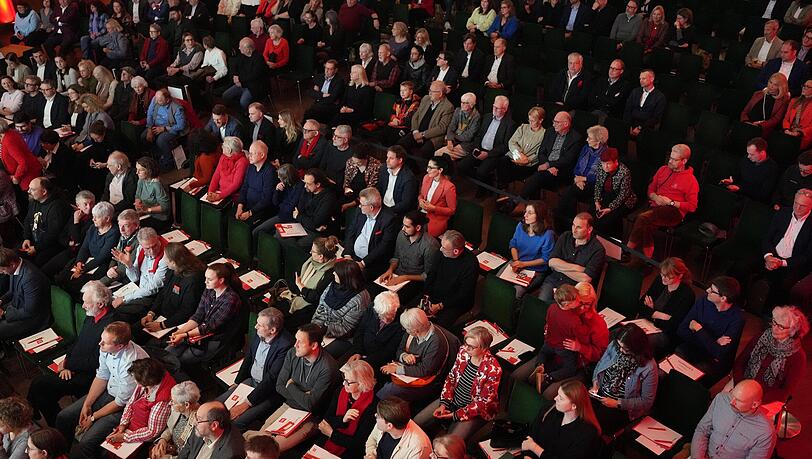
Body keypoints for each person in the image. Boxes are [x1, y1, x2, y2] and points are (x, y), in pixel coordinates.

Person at [27, 281, 118, 425]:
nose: (83, 306)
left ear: (100, 304)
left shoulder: (111, 326)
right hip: (74, 366)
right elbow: (78, 342)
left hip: (89, 376)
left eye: (86, 303)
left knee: (40, 385)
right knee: (43, 392)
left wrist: (69, 364)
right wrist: (66, 361)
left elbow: (96, 361)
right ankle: (48, 419)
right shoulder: (92, 315)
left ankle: (37, 414)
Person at [54, 321, 148, 458]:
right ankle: (62, 454)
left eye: (104, 342)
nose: (100, 344)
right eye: (101, 339)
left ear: (120, 346)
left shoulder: (132, 363)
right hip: (109, 392)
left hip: (126, 407)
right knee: (64, 417)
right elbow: (102, 376)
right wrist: (87, 404)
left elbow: (120, 402)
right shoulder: (106, 349)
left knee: (86, 443)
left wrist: (93, 417)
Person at [250, 323, 338, 452]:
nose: (295, 344)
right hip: (288, 406)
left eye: (300, 342)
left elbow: (310, 405)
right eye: (296, 340)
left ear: (314, 346)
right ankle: (247, 435)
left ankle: (247, 435)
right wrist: (304, 395)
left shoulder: (327, 368)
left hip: (311, 417)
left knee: (272, 448)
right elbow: (279, 386)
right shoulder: (292, 353)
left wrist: (291, 385)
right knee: (260, 440)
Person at [415, 326, 502, 440]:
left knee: (450, 443)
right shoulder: (463, 352)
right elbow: (451, 378)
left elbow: (483, 403)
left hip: (472, 411)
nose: (466, 348)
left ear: (484, 349)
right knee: (417, 422)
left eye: (471, 347)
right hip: (452, 400)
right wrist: (444, 404)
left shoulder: (493, 369)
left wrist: (455, 415)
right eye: (466, 343)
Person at [217, 308, 293, 430]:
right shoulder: (260, 333)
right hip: (252, 380)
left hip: (269, 392)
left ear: (272, 330)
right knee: (216, 406)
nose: (255, 327)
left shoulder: (286, 345)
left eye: (260, 325)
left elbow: (271, 379)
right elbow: (248, 357)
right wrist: (237, 382)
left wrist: (246, 403)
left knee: (235, 423)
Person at [627, 144, 699, 258]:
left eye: (674, 160)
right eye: (670, 158)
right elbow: (650, 189)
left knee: (642, 218)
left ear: (684, 161)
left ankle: (626, 250)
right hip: (655, 205)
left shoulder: (691, 181)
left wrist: (670, 202)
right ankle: (648, 259)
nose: (670, 161)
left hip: (674, 210)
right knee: (646, 226)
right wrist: (655, 197)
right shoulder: (662, 170)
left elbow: (692, 206)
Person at [166, 263, 241, 365]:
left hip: (215, 339)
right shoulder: (209, 290)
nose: (205, 282)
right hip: (198, 332)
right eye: (206, 278)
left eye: (209, 279)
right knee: (167, 353)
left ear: (221, 280)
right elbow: (198, 315)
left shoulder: (230, 300)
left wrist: (183, 335)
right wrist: (179, 332)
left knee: (178, 361)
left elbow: (210, 326)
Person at [378, 308, 459, 402]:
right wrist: (404, 356)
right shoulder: (411, 333)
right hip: (408, 371)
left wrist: (397, 369)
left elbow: (425, 370)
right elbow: (400, 350)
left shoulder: (436, 342)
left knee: (389, 391)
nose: (405, 331)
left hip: (425, 381)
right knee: (381, 375)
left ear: (415, 330)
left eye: (406, 329)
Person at [731, 305, 808, 404]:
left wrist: (756, 399)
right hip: (742, 385)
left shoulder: (798, 357)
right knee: (721, 400)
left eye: (781, 327)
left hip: (766, 398)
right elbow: (739, 363)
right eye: (774, 322)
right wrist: (740, 386)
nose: (774, 328)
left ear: (793, 330)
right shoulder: (761, 337)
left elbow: (786, 390)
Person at [677, 276, 745, 385]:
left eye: (712, 290)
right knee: (670, 366)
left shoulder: (737, 319)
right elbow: (682, 330)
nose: (707, 290)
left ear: (723, 298)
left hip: (713, 361)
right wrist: (713, 342)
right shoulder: (704, 300)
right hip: (693, 348)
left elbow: (719, 353)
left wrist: (698, 329)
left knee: (689, 380)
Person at [591, 323, 657, 434]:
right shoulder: (614, 346)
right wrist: (595, 383)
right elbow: (600, 365)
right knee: (579, 411)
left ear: (636, 348)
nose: (621, 351)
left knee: (595, 424)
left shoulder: (649, 367)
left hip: (622, 407)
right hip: (601, 394)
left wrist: (617, 403)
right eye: (619, 346)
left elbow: (647, 401)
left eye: (626, 349)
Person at [138, 242, 206, 343]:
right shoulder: (171, 270)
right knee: (135, 331)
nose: (163, 260)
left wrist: (162, 325)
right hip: (161, 316)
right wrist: (151, 313)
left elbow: (187, 311)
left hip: (175, 323)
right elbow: (163, 292)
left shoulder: (193, 280)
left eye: (165, 258)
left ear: (174, 262)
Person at [308, 360, 377, 457]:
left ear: (362, 383)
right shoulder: (340, 391)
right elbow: (326, 420)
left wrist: (331, 433)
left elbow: (360, 444)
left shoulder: (373, 407)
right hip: (328, 438)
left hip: (349, 451)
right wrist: (343, 420)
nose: (344, 384)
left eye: (348, 382)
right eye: (344, 378)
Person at [691, 380, 776, 459]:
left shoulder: (765, 432)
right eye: (732, 395)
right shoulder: (721, 399)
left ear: (754, 405)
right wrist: (697, 457)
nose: (731, 402)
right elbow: (702, 430)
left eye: (738, 400)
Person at [513, 112, 582, 208]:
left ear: (566, 124)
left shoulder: (575, 138)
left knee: (537, 177)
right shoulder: (550, 131)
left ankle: (517, 202)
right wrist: (547, 166)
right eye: (553, 121)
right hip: (545, 166)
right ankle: (532, 208)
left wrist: (549, 165)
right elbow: (541, 152)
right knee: (536, 178)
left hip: (561, 170)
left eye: (557, 122)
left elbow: (567, 160)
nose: (553, 124)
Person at [521, 380, 602, 459]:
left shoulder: (587, 433)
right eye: (558, 394)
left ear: (574, 406)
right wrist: (528, 456)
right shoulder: (549, 409)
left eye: (561, 398)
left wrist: (534, 447)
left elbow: (531, 444)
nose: (555, 398)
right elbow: (531, 437)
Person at [105, 358, 176, 448]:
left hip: (143, 438)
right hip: (132, 425)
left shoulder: (163, 401)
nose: (135, 382)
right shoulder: (147, 381)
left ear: (148, 382)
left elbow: (152, 432)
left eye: (137, 381)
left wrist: (125, 437)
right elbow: (131, 403)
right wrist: (123, 423)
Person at [759, 188, 812, 306]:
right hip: (772, 255)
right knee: (743, 267)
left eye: (802, 206)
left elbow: (807, 256)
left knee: (782, 286)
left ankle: (770, 313)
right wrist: (768, 257)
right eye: (796, 203)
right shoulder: (783, 213)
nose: (797, 208)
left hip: (792, 263)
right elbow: (767, 237)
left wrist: (781, 263)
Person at [538, 212, 605, 303]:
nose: (574, 230)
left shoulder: (597, 249)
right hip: (554, 280)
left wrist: (559, 267)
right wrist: (577, 268)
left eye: (579, 227)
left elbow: (585, 279)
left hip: (574, 288)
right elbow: (551, 262)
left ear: (589, 229)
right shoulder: (566, 236)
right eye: (573, 225)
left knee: (558, 307)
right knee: (541, 303)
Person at [54, 201, 119, 294]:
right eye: (93, 216)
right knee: (62, 277)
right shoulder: (92, 228)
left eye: (97, 217)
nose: (93, 219)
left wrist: (82, 270)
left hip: (100, 264)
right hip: (86, 261)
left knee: (77, 284)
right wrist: (79, 262)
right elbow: (84, 248)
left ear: (107, 218)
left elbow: (102, 257)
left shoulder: (114, 232)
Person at [312, 259, 372, 357]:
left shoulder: (360, 298)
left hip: (343, 337)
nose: (333, 273)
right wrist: (316, 325)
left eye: (336, 272)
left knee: (318, 354)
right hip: (323, 328)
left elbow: (346, 327)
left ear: (345, 277)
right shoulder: (333, 285)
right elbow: (321, 306)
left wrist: (323, 329)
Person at [557, 125, 615, 224]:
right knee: (572, 195)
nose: (587, 140)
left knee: (571, 191)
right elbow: (577, 166)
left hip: (595, 185)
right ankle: (569, 221)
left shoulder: (607, 154)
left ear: (598, 141)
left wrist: (584, 179)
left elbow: (602, 177)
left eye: (590, 138)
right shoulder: (586, 148)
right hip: (580, 181)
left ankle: (560, 216)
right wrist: (577, 178)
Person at [378, 211, 440, 303]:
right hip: (397, 273)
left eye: (407, 227)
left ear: (418, 227)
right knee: (378, 294)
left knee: (393, 302)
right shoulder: (401, 234)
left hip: (414, 280)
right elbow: (396, 257)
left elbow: (427, 275)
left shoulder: (430, 245)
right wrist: (390, 270)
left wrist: (405, 277)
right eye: (403, 225)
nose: (403, 229)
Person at [110, 227, 169, 322]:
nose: (152, 251)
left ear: (158, 239)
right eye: (147, 248)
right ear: (141, 244)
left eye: (154, 246)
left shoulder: (166, 255)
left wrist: (125, 299)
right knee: (109, 299)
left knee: (118, 312)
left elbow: (153, 287)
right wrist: (129, 265)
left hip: (153, 296)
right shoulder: (140, 249)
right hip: (139, 289)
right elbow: (135, 278)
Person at [421, 230, 477, 328]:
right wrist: (426, 296)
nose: (440, 249)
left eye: (444, 247)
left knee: (438, 326)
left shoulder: (471, 264)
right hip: (437, 294)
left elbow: (463, 294)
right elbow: (431, 275)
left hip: (456, 302)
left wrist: (439, 306)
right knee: (417, 315)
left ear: (455, 251)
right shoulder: (442, 253)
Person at [457, 96, 516, 185]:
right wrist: (476, 148)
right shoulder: (487, 117)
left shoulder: (510, 124)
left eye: (497, 108)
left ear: (505, 109)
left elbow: (505, 146)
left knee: (481, 172)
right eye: (494, 106)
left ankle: (484, 187)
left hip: (493, 154)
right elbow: (479, 135)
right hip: (479, 149)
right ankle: (483, 182)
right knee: (461, 166)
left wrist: (488, 154)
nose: (494, 109)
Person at [342, 291, 406, 370]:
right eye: (382, 316)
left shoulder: (403, 319)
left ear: (396, 309)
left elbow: (389, 351)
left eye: (390, 316)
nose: (386, 320)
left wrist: (365, 361)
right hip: (361, 351)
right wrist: (358, 352)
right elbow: (360, 331)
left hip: (379, 361)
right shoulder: (372, 308)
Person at [342, 188, 398, 278]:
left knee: (350, 278)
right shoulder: (360, 211)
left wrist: (363, 263)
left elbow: (383, 247)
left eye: (362, 204)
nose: (359, 206)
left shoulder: (389, 219)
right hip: (353, 256)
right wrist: (347, 254)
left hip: (371, 263)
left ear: (371, 207)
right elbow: (351, 232)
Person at [505, 201, 555, 297]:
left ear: (539, 216)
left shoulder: (548, 235)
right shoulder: (520, 225)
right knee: (497, 282)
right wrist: (516, 261)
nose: (525, 215)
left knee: (516, 292)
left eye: (530, 213)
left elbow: (546, 259)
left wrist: (523, 264)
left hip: (535, 270)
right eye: (525, 211)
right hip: (517, 262)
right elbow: (513, 243)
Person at [21, 177, 72, 267]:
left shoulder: (57, 207)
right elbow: (28, 220)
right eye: (29, 188)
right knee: (15, 255)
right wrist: (27, 238)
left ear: (44, 192)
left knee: (36, 263)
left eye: (32, 189)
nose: (28, 191)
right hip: (35, 242)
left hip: (52, 245)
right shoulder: (34, 201)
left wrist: (36, 248)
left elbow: (53, 234)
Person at [397, 80, 455, 157]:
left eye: (432, 91)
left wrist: (422, 135)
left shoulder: (448, 107)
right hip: (417, 132)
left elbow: (442, 128)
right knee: (400, 145)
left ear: (440, 94)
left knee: (421, 153)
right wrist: (415, 132)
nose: (429, 93)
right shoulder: (426, 98)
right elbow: (416, 116)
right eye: (429, 90)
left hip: (433, 137)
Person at [364, 397, 432, 459]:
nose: (375, 415)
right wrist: (371, 455)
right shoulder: (389, 419)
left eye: (378, 416)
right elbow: (372, 440)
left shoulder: (417, 449)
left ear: (389, 426)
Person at [287, 169, 340, 248]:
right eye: (305, 182)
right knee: (280, 236)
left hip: (320, 233)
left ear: (318, 184)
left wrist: (299, 216)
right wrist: (306, 219)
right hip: (306, 226)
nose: (305, 186)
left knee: (298, 245)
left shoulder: (329, 198)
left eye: (308, 184)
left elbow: (316, 222)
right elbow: (300, 209)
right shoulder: (307, 190)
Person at [496, 105, 546, 187]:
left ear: (540, 120)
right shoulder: (523, 127)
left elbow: (539, 153)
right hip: (514, 156)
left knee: (513, 171)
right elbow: (512, 142)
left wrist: (526, 160)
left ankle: (506, 188)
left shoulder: (544, 134)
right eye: (529, 120)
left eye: (533, 121)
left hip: (528, 163)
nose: (530, 123)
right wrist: (519, 154)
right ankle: (502, 187)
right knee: (502, 161)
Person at [720, 137, 780, 204]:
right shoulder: (746, 159)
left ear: (762, 152)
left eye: (752, 154)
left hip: (751, 200)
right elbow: (737, 173)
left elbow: (763, 193)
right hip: (737, 193)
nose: (748, 156)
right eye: (748, 153)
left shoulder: (772, 168)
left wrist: (740, 189)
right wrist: (731, 180)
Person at [176, 402, 245, 458]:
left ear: (214, 425)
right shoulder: (200, 427)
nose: (194, 422)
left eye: (198, 419)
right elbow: (185, 451)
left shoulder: (231, 454)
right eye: (196, 416)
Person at [150, 381, 200, 459]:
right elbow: (170, 428)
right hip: (171, 447)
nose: (170, 403)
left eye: (174, 402)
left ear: (186, 405)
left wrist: (167, 458)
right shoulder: (179, 410)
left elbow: (190, 455)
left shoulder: (198, 424)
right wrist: (163, 439)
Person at [235, 140, 277, 226]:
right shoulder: (251, 167)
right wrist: (240, 206)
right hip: (247, 205)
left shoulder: (270, 171)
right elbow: (244, 187)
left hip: (261, 211)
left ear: (262, 155)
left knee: (245, 226)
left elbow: (267, 199)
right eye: (249, 153)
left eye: (252, 153)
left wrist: (250, 213)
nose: (249, 156)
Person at [142, 88, 187, 166]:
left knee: (161, 140)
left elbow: (181, 125)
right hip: (156, 125)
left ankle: (168, 159)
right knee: (144, 136)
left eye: (159, 100)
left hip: (170, 128)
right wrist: (149, 129)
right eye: (156, 99)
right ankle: (158, 154)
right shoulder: (155, 99)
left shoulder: (177, 108)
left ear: (167, 100)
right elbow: (149, 114)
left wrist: (164, 128)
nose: (156, 102)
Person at [434, 92, 481, 161]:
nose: (462, 105)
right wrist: (450, 140)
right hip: (454, 138)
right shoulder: (458, 110)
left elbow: (468, 136)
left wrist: (453, 138)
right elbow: (451, 127)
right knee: (437, 146)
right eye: (462, 102)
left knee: (439, 154)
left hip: (466, 144)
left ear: (471, 104)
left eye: (465, 103)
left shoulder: (476, 116)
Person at [223, 38, 267, 111]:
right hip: (241, 83)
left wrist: (240, 80)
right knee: (225, 96)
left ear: (248, 49)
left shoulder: (259, 58)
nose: (239, 48)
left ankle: (246, 113)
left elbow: (254, 75)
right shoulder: (241, 55)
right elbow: (234, 66)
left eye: (241, 47)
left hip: (253, 87)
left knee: (243, 102)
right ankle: (239, 111)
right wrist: (235, 75)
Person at [742, 73, 790, 137]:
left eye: (775, 85)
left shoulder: (783, 101)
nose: (771, 86)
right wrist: (746, 121)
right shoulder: (758, 94)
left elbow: (776, 119)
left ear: (781, 87)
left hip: (762, 130)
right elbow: (745, 111)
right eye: (770, 82)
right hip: (746, 125)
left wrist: (759, 125)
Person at [99, 209, 140, 286]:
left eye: (126, 226)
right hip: (117, 275)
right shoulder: (123, 236)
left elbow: (126, 267)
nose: (121, 229)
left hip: (129, 279)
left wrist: (100, 283)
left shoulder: (139, 241)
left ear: (136, 225)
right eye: (120, 225)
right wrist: (111, 268)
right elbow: (115, 256)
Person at [419, 156, 457, 238]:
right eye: (427, 167)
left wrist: (434, 208)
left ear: (440, 170)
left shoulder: (449, 187)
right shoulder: (426, 177)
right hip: (422, 212)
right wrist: (420, 200)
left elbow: (452, 210)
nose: (427, 170)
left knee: (421, 236)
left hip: (436, 218)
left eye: (431, 168)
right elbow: (421, 194)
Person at [377, 146, 419, 217]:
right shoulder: (384, 169)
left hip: (397, 213)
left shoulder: (409, 178)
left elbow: (406, 203)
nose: (387, 160)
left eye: (391, 158)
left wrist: (387, 211)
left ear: (400, 160)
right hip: (382, 207)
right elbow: (379, 188)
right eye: (387, 157)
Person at [0, 121, 41, 192]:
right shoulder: (11, 132)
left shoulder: (8, 141)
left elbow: (23, 162)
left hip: (27, 177)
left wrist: (16, 177)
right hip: (27, 171)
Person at [624, 69, 667, 136]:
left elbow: (656, 118)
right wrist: (628, 125)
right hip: (631, 124)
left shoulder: (660, 97)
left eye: (643, 78)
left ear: (652, 79)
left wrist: (640, 127)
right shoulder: (635, 91)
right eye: (640, 78)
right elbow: (627, 110)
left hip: (647, 128)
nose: (641, 81)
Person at [208, 136, 250, 204]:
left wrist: (220, 196)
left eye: (224, 146)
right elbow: (216, 175)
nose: (222, 147)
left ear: (229, 150)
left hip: (232, 196)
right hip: (219, 192)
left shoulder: (242, 162)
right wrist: (211, 191)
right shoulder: (223, 157)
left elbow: (236, 184)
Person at [782, 78, 812, 148]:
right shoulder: (794, 101)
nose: (804, 88)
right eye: (804, 85)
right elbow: (786, 119)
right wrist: (786, 129)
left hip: (803, 136)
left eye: (808, 86)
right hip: (788, 132)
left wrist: (799, 132)